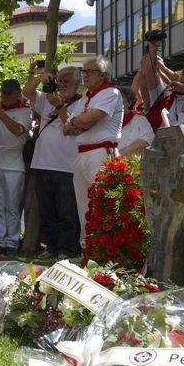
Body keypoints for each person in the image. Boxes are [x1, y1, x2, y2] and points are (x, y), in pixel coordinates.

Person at [23, 65, 82, 259]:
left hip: (67, 165)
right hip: (43, 163)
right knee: (48, 210)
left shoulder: (82, 103)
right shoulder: (46, 99)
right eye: (60, 81)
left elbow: (72, 128)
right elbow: (26, 92)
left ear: (77, 84)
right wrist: (41, 77)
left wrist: (59, 106)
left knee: (67, 210)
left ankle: (68, 248)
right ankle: (53, 247)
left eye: (67, 81)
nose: (62, 85)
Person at [61, 56, 123, 238]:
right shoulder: (86, 98)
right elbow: (67, 128)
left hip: (101, 151)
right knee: (84, 205)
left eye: (89, 71)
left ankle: (104, 247)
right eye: (83, 71)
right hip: (82, 153)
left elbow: (87, 120)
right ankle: (87, 248)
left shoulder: (111, 93)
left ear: (102, 75)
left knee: (103, 203)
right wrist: (77, 122)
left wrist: (76, 121)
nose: (84, 75)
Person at [0, 79, 31, 255]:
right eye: (3, 93)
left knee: (12, 206)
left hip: (13, 165)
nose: (4, 96)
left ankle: (11, 240)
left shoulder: (25, 111)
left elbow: (18, 130)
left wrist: (0, 113)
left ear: (18, 93)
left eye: (8, 93)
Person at [118, 86, 154, 157]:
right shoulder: (105, 123)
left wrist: (118, 155)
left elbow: (146, 141)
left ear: (129, 103)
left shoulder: (140, 120)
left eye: (119, 99)